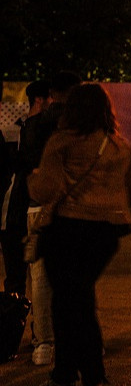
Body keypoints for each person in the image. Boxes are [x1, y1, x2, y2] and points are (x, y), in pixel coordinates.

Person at [28, 83, 131, 386]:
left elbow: (46, 189)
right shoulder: (118, 145)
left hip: (68, 229)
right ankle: (75, 370)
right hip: (105, 234)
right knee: (79, 299)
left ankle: (85, 373)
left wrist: (31, 179)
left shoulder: (62, 142)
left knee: (67, 303)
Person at [20, 71, 79, 366]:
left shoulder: (32, 125)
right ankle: (80, 339)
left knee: (41, 278)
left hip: (38, 205)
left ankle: (44, 342)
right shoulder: (78, 123)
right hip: (72, 205)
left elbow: (28, 166)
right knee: (77, 276)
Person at [1, 79, 47, 297]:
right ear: (40, 99)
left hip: (14, 212)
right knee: (34, 278)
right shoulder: (35, 130)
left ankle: (16, 325)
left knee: (17, 279)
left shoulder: (17, 129)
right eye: (51, 97)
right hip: (18, 211)